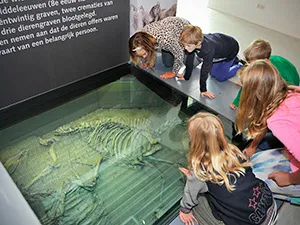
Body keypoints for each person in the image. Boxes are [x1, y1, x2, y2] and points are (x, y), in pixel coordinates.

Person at [179, 112, 277, 225]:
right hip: (269, 204)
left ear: (195, 141)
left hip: (252, 222)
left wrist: (185, 209)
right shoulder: (234, 151)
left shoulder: (201, 172)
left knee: (197, 202)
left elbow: (190, 196)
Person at [235, 60, 300, 192]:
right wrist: (253, 146)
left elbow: (277, 123)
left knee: (252, 183)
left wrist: (289, 178)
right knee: (257, 157)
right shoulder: (292, 92)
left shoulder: (278, 123)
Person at [230, 39, 300, 146]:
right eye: (248, 63)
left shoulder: (278, 75)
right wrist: (237, 101)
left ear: (265, 61)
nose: (249, 66)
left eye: (252, 63)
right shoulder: (260, 67)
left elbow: (287, 90)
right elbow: (249, 85)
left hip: (287, 90)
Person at [179, 25, 242, 99]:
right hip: (219, 47)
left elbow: (204, 70)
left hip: (231, 50)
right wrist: (186, 76)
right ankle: (229, 63)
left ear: (199, 43)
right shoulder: (194, 41)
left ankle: (238, 64)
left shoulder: (208, 49)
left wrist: (203, 90)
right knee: (213, 74)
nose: (185, 48)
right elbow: (189, 59)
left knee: (220, 77)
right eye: (184, 45)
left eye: (188, 46)